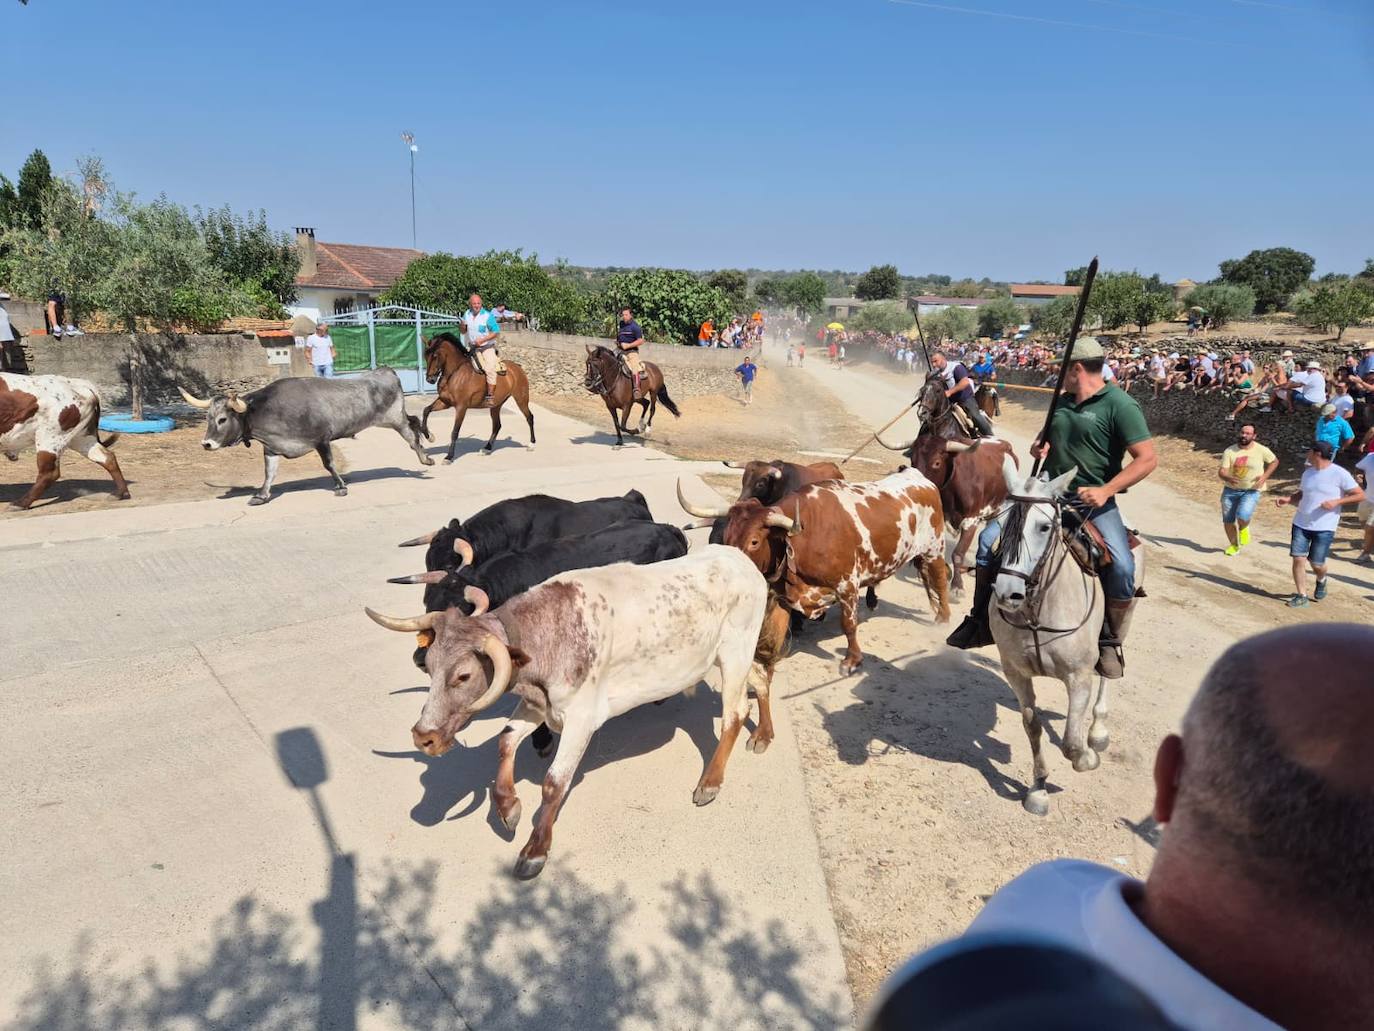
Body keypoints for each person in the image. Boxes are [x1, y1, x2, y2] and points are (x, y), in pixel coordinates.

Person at [959, 623, 1374, 1030]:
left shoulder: (1042, 896)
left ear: (1167, 777)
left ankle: (1107, 642)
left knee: (1121, 580)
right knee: (994, 578)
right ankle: (980, 618)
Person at [1000, 337, 1155, 676]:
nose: (1057, 374)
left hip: (1092, 504)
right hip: (1047, 495)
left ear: (1078, 369)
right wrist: (1039, 446)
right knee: (989, 543)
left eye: (1062, 369)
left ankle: (1108, 639)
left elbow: (1147, 459)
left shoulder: (1120, 405)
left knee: (1123, 567)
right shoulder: (1062, 401)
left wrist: (1106, 490)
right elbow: (1047, 438)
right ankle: (981, 622)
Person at [1276, 440, 1363, 607]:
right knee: (1298, 558)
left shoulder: (1339, 473)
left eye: (1309, 451)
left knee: (1316, 563)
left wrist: (1336, 502)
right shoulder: (1308, 473)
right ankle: (1301, 595)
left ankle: (1321, 579)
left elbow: (1360, 495)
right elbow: (1302, 493)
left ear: (1317, 454)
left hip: (1324, 526)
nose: (1307, 453)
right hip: (1301, 522)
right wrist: (1289, 499)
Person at [1218, 424, 1278, 557]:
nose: (1244, 435)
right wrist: (1227, 477)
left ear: (1254, 436)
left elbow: (1274, 462)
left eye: (1248, 433)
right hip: (1230, 490)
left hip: (1252, 490)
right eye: (1242, 432)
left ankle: (1244, 527)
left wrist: (1264, 477)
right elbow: (1222, 471)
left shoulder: (1261, 450)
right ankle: (1234, 546)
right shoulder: (1230, 451)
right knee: (1228, 520)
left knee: (1243, 515)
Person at [929, 350, 994, 437]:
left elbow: (964, 382)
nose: (933, 365)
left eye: (935, 361)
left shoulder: (956, 367)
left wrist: (950, 392)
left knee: (975, 415)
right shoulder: (934, 373)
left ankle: (990, 435)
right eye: (932, 362)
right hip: (947, 402)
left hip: (964, 398)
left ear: (943, 359)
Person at [462, 292, 503, 405]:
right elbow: (463, 331)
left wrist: (483, 340)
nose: (477, 305)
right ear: (470, 304)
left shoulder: (487, 316)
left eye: (478, 303)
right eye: (474, 303)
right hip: (471, 347)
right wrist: (462, 326)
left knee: (490, 369)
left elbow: (496, 332)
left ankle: (490, 396)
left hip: (486, 347)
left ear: (481, 303)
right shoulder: (467, 314)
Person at [614, 305, 646, 400]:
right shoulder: (621, 324)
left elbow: (641, 341)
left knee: (634, 367)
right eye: (623, 315)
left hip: (631, 351)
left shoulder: (635, 327)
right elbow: (621, 336)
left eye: (626, 315)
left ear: (631, 315)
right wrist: (618, 342)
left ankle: (636, 389)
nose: (624, 317)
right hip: (620, 349)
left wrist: (628, 345)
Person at [1355, 448, 1374, 564]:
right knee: (1363, 521)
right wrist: (1359, 476)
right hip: (1367, 497)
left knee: (1370, 527)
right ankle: (1370, 542)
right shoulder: (1370, 457)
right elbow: (1358, 468)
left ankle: (1365, 553)